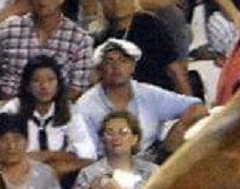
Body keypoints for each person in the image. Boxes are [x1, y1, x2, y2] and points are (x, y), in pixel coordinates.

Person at [74, 39, 206, 160]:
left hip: (154, 161)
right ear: (100, 69)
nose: (116, 67)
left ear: (132, 67)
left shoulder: (148, 93)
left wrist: (178, 129)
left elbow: (197, 107)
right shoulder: (85, 105)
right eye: (109, 61)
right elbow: (86, 156)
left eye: (123, 61)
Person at [0, 0, 94, 100]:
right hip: (10, 106)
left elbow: (77, 88)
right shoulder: (7, 31)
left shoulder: (80, 39)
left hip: (57, 109)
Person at [0, 56, 96, 176]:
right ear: (27, 86)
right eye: (36, 80)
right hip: (18, 177)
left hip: (60, 175)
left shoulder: (69, 110)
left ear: (58, 84)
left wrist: (50, 155)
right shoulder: (12, 110)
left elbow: (88, 154)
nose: (44, 86)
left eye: (50, 80)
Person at [98, 0, 191, 94]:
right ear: (101, 2)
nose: (116, 3)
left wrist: (189, 103)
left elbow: (175, 70)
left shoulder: (150, 25)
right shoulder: (103, 37)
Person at [71, 110, 158, 189]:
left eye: (123, 132)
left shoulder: (151, 172)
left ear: (134, 139)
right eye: (110, 133)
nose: (116, 138)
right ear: (103, 138)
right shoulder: (88, 174)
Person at [0, 113, 68, 189]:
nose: (11, 146)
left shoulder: (43, 173)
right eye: (4, 140)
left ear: (27, 142)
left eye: (17, 139)